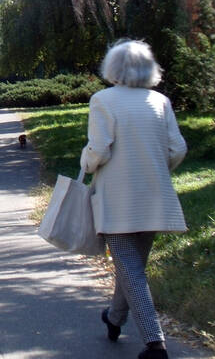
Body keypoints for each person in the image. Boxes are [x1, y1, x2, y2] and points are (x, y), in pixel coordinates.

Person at [80, 40, 187, 359]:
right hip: (154, 197)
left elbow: (99, 149)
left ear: (112, 68)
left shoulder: (103, 100)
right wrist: (156, 169)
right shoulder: (160, 101)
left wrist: (86, 164)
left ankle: (155, 344)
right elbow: (178, 148)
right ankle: (114, 319)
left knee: (130, 268)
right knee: (132, 266)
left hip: (118, 200)